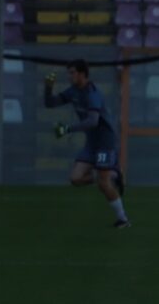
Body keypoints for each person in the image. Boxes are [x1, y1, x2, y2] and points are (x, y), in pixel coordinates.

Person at [44, 60, 129, 228]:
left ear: (83, 74)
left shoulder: (93, 94)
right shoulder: (73, 91)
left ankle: (123, 219)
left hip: (105, 142)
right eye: (69, 73)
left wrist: (68, 129)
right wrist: (48, 87)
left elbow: (93, 121)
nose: (70, 76)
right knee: (75, 179)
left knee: (103, 184)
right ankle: (113, 175)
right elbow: (50, 103)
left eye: (73, 73)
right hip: (92, 142)